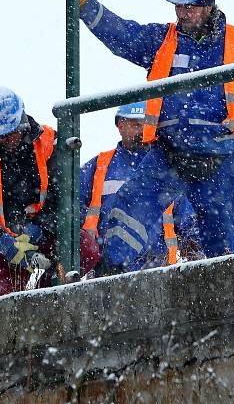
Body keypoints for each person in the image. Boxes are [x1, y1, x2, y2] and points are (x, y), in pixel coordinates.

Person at [61, 0, 234, 257]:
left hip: (221, 158)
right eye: (177, 6)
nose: (182, 13)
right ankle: (110, 277)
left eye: (188, 6)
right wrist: (84, 2)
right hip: (169, 153)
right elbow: (121, 34)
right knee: (129, 212)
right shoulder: (162, 41)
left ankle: (224, 295)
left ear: (208, 4)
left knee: (223, 248)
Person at [80, 102, 201, 275]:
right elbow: (71, 211)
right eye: (137, 125)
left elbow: (188, 223)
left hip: (160, 269)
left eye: (148, 124)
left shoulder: (165, 168)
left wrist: (198, 266)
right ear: (121, 126)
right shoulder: (98, 166)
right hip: (108, 271)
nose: (144, 131)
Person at [0, 87, 59, 298]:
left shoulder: (49, 142)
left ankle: (48, 299)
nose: (6, 140)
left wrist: (40, 229)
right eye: (0, 136)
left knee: (85, 249)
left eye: (10, 133)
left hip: (51, 233)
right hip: (7, 241)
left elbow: (65, 198)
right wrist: (5, 244)